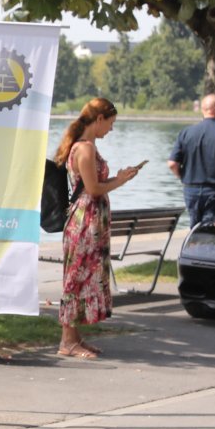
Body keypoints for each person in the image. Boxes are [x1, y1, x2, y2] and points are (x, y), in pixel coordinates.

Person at [56, 97, 144, 360]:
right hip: (86, 221)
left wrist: (119, 177)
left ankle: (74, 337)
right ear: (99, 119)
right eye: (110, 123)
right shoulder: (85, 149)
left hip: (90, 219)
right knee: (77, 277)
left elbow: (92, 185)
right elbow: (94, 189)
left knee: (83, 275)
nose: (111, 129)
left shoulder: (85, 146)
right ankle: (67, 341)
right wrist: (120, 180)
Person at [166, 93, 215, 228]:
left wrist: (184, 178)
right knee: (212, 231)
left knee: (195, 228)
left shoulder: (186, 133)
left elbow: (172, 164)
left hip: (191, 190)